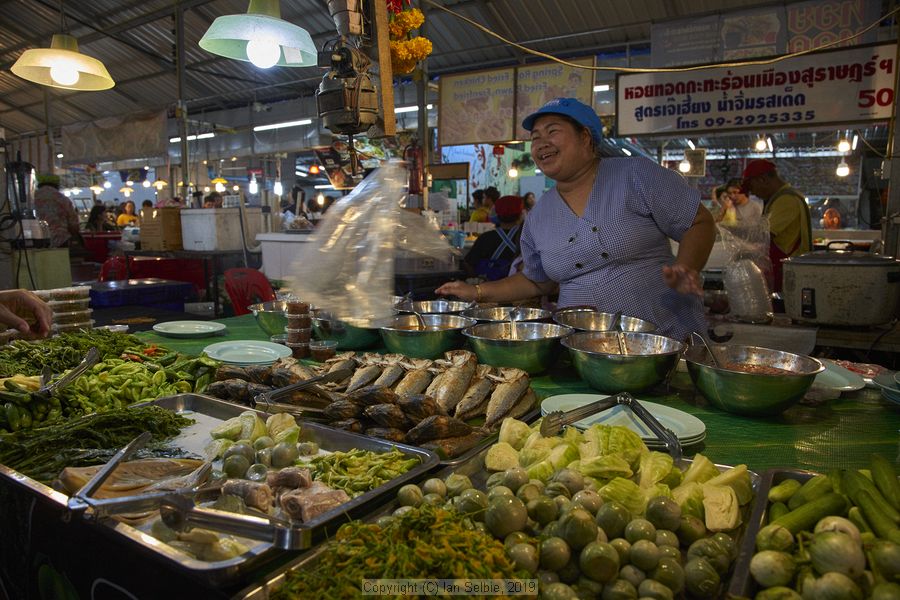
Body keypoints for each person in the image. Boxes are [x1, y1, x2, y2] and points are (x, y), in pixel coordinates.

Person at [436, 97, 715, 341]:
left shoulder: (636, 175)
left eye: (552, 131)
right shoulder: (538, 217)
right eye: (535, 137)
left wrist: (686, 266)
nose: (541, 143)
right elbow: (537, 282)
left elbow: (698, 223)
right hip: (583, 349)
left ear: (585, 137)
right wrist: (477, 292)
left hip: (663, 338)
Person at [740, 159, 812, 293]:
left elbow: (763, 235)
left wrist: (730, 234)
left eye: (751, 188)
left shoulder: (787, 200)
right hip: (782, 269)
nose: (753, 193)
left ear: (762, 180)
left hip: (788, 272)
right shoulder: (777, 199)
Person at [463, 195, 524, 280]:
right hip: (522, 289)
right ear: (520, 214)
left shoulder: (485, 238)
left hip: (490, 289)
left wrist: (478, 279)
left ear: (497, 214)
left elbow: (468, 263)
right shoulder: (527, 238)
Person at [33, 174, 81, 248]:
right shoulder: (63, 199)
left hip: (37, 241)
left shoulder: (32, 198)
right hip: (61, 241)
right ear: (57, 185)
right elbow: (74, 224)